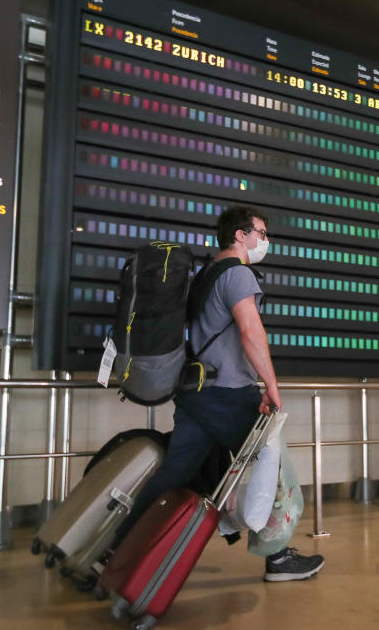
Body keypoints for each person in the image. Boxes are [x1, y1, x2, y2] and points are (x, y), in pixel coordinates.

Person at [111, 205, 324, 582]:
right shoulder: (238, 275)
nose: (265, 240)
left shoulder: (205, 275)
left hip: (195, 391)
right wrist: (271, 385)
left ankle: (118, 547)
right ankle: (277, 558)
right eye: (260, 232)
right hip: (229, 392)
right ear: (240, 235)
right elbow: (250, 332)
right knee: (275, 468)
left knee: (172, 475)